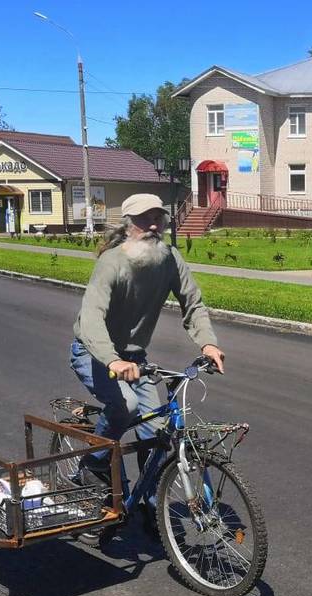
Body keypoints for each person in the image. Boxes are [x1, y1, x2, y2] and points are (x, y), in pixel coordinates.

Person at [70, 193, 224, 491]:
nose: (153, 226)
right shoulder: (111, 262)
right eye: (144, 219)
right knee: (125, 405)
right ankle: (94, 462)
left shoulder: (169, 258)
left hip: (136, 360)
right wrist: (113, 360)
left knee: (156, 432)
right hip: (94, 354)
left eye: (158, 218)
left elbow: (193, 304)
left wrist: (208, 344)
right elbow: (91, 318)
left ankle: (153, 509)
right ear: (128, 225)